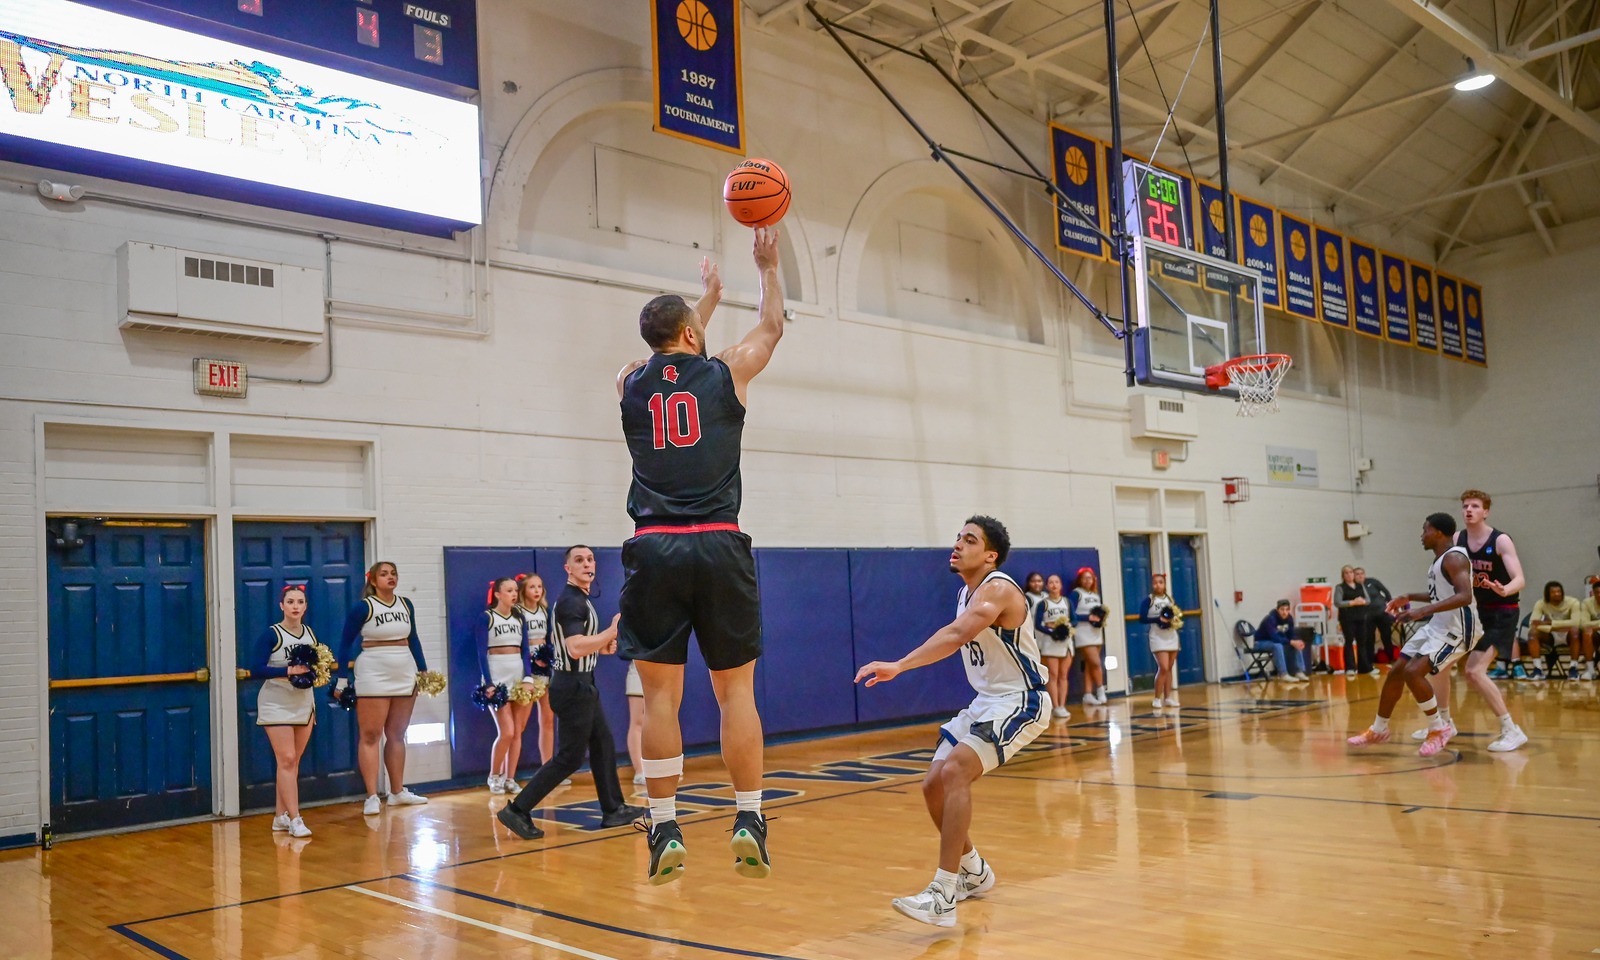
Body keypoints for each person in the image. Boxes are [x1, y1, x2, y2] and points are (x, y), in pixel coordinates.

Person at [614, 228, 785, 886]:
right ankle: (748, 817)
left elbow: (668, 351)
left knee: (660, 700)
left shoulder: (628, 382)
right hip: (719, 541)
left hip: (654, 546)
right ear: (692, 334)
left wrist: (699, 305)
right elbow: (770, 327)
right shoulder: (728, 371)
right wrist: (766, 269)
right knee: (733, 692)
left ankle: (663, 823)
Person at [854, 516, 1048, 928]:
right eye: (959, 537)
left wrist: (899, 665)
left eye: (970, 540)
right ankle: (974, 870)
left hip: (1021, 700)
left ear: (990, 555)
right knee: (932, 785)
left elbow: (957, 634)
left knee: (956, 770)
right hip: (987, 701)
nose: (958, 544)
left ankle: (943, 893)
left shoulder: (998, 588)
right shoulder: (965, 592)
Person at [497, 547, 647, 839]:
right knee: (569, 757)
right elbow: (575, 647)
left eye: (590, 559)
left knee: (603, 744)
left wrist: (602, 647)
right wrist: (610, 632)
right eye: (579, 560)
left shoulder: (581, 599)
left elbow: (581, 648)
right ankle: (517, 809)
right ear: (567, 568)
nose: (587, 564)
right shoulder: (570, 602)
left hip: (582, 682)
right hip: (572, 686)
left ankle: (613, 808)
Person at [1348, 512, 1480, 758]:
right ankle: (1378, 729)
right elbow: (1441, 595)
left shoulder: (1453, 557)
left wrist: (1422, 612)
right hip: (1438, 626)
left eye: (1425, 530)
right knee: (1397, 670)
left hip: (1458, 629)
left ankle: (1439, 728)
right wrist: (1409, 597)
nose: (1422, 536)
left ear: (1439, 533)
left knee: (1412, 672)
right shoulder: (1439, 561)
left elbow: (1465, 596)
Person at [1406, 490, 1528, 751]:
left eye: (1475, 506)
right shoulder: (1458, 539)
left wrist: (1505, 589)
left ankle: (1511, 729)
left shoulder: (1500, 540)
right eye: (1465, 506)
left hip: (1501, 611)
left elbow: (1520, 578)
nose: (1469, 510)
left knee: (1473, 671)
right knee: (1439, 664)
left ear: (1486, 512)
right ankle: (1444, 722)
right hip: (1472, 613)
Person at [338, 561, 429, 815]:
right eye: (384, 574)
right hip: (373, 671)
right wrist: (343, 679)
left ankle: (397, 791)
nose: (390, 577)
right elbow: (345, 643)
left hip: (404, 670)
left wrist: (423, 671)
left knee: (398, 733)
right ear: (373, 580)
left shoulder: (406, 604)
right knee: (370, 735)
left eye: (393, 574)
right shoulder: (363, 607)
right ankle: (371, 796)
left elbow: (414, 638)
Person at [254, 584, 318, 838]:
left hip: (303, 702)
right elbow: (256, 669)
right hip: (276, 701)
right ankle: (295, 818)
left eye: (299, 601)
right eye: (290, 601)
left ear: (305, 606)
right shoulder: (272, 634)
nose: (295, 606)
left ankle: (280, 817)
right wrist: (287, 672)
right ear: (282, 606)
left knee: (292, 762)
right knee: (287, 760)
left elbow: (316, 666)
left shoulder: (310, 633)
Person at [478, 577, 536, 795]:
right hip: (497, 676)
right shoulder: (487, 618)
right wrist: (489, 683)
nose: (514, 594)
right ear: (498, 594)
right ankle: (494, 776)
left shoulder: (520, 617)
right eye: (509, 590)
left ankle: (510, 777)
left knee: (517, 732)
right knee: (507, 731)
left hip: (518, 675)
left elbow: (525, 651)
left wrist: (528, 677)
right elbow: (480, 651)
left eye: (515, 590)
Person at [516, 574, 561, 781]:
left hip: (544, 667)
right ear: (523, 590)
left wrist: (548, 657)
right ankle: (509, 773)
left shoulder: (545, 610)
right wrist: (531, 662)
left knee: (548, 720)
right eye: (532, 587)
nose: (537, 590)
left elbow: (551, 637)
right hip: (526, 668)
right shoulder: (518, 612)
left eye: (540, 587)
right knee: (521, 723)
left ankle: (548, 769)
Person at [1033, 574, 1072, 719]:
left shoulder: (1067, 602)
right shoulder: (1043, 604)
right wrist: (1052, 631)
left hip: (1066, 642)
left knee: (1063, 675)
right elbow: (1037, 625)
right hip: (1049, 642)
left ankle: (1062, 705)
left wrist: (1065, 628)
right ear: (1047, 586)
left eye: (1057, 582)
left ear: (1061, 585)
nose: (1054, 585)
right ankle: (1055, 706)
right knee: (1053, 676)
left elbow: (1073, 620)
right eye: (1051, 582)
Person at [1141, 572, 1182, 709]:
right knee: (1163, 667)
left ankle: (1168, 697)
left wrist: (1174, 620)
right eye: (1155, 582)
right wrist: (1157, 620)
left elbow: (1175, 614)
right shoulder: (1149, 600)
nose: (1158, 585)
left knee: (1169, 668)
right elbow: (1142, 618)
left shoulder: (1170, 599)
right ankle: (1157, 698)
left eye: (1160, 582)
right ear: (1152, 585)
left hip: (1171, 635)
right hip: (1157, 636)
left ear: (1164, 584)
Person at [1068, 568, 1108, 704]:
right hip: (1083, 632)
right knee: (1096, 662)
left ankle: (1087, 694)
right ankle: (1101, 690)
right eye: (1084, 578)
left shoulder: (1096, 595)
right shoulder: (1076, 594)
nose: (1087, 580)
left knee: (1090, 665)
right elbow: (1070, 613)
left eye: (1090, 578)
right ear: (1080, 580)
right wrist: (1088, 617)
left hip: (1096, 632)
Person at [1528, 581, 1583, 679]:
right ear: (1547, 594)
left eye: (1559, 591)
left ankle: (1573, 668)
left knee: (1575, 631)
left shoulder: (1573, 602)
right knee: (1532, 633)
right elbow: (1533, 623)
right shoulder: (1540, 603)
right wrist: (1553, 628)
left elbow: (1576, 623)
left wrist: (1550, 623)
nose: (1557, 594)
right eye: (1553, 592)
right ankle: (1538, 669)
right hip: (1550, 635)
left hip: (1568, 634)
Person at [1254, 600, 1309, 682]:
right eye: (1282, 609)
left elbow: (1291, 634)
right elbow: (1274, 637)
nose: (1285, 612)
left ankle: (1299, 671)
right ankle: (1283, 674)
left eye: (1287, 609)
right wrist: (1291, 642)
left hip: (1275, 641)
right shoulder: (1270, 619)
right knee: (1278, 645)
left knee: (1296, 643)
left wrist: (1297, 641)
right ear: (1277, 610)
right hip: (1260, 642)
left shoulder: (1289, 619)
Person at [1334, 565, 1373, 677]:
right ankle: (1350, 667)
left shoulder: (1360, 586)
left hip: (1360, 617)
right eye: (1346, 573)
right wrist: (1352, 602)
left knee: (1362, 642)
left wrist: (1362, 601)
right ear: (1343, 576)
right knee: (1349, 641)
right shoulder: (1340, 587)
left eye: (1351, 572)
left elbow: (1368, 600)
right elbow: (1338, 602)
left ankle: (1364, 667)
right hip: (1347, 619)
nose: (1349, 574)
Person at [1354, 567, 1394, 670]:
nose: (1360, 576)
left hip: (1382, 612)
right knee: (1369, 638)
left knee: (1386, 635)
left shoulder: (1372, 582)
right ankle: (1370, 661)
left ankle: (1391, 658)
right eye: (1357, 574)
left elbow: (1386, 591)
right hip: (1367, 616)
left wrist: (1390, 605)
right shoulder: (1353, 587)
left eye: (1361, 573)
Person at [1579, 580, 1600, 681]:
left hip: (1595, 629)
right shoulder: (1587, 603)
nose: (1599, 595)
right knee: (1587, 632)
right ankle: (1590, 670)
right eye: (1597, 592)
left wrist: (1594, 625)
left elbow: (1589, 624)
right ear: (1593, 593)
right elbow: (1583, 624)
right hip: (1595, 634)